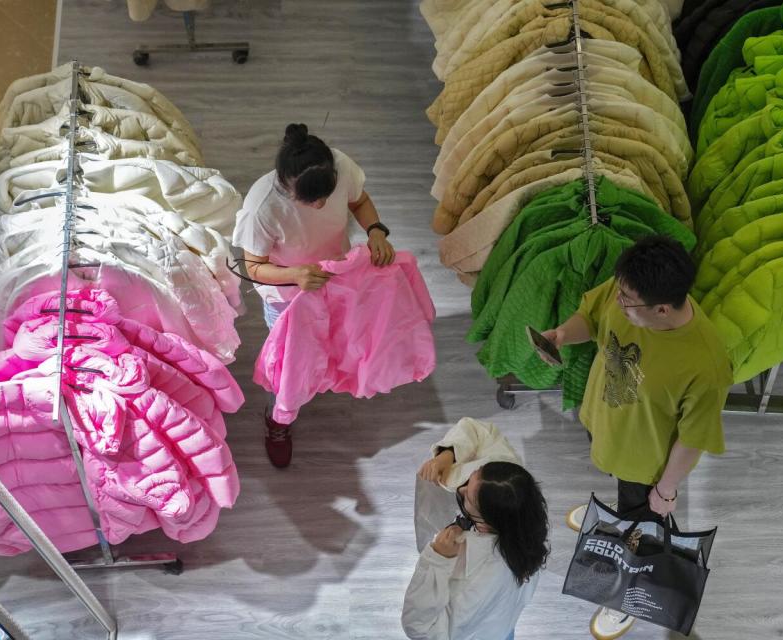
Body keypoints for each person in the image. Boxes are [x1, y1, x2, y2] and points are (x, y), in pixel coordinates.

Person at [538, 235, 732, 640]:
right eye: (620, 292)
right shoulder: (629, 289)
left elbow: (693, 437)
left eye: (628, 300)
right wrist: (560, 335)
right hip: (606, 425)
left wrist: (665, 489)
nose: (620, 302)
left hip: (646, 464)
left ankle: (623, 598)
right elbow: (590, 317)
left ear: (662, 308)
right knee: (623, 496)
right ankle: (618, 515)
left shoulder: (705, 362)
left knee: (640, 526)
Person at [232, 123, 396, 468]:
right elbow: (254, 268)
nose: (321, 205)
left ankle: (323, 380)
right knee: (288, 365)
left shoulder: (340, 165)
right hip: (287, 297)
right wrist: (295, 275)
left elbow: (360, 200)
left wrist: (376, 232)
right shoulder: (262, 207)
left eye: (327, 196)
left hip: (335, 280)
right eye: (311, 200)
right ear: (287, 188)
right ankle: (279, 418)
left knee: (334, 341)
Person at [402, 418, 549, 640]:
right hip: (501, 623)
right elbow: (481, 431)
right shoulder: (516, 493)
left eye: (468, 498)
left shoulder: (476, 574)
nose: (459, 491)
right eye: (472, 477)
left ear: (488, 519)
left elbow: (421, 629)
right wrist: (447, 455)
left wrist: (437, 560)